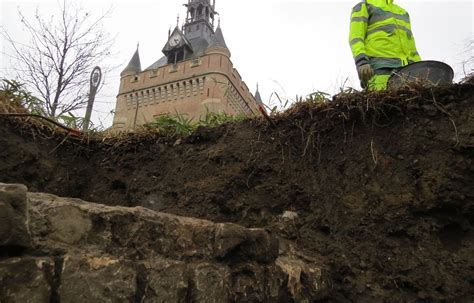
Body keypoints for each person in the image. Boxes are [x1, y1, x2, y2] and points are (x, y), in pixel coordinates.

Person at [349, 0, 421, 90]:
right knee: (382, 102)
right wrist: (362, 62)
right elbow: (356, 38)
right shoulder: (365, 6)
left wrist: (420, 67)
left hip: (408, 71)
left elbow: (411, 44)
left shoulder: (403, 12)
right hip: (379, 70)